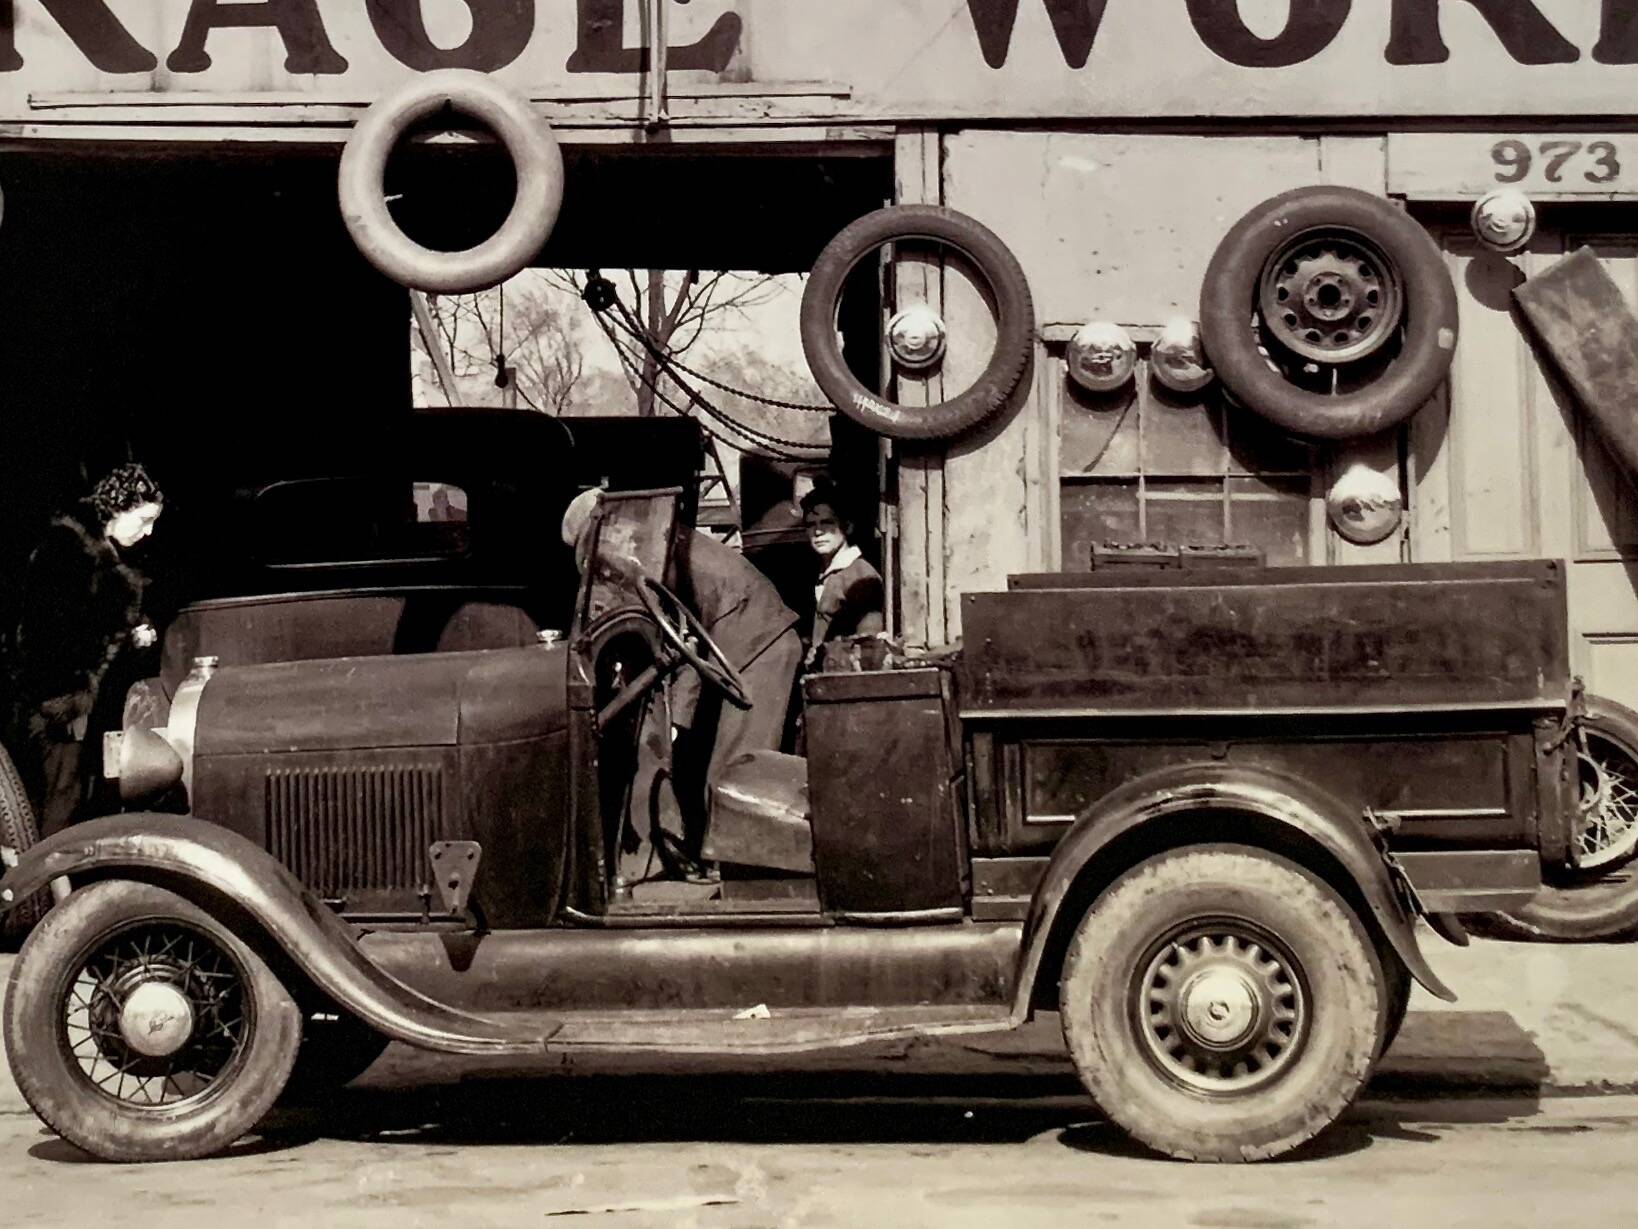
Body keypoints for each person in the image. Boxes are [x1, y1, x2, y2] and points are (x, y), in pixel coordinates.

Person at [561, 488, 802, 874]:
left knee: (734, 776)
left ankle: (743, 883)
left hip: (761, 649)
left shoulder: (658, 553)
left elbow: (684, 641)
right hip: (735, 648)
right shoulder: (656, 546)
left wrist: (675, 722)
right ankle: (709, 862)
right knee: (702, 765)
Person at [10, 463, 164, 836]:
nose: (149, 531)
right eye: (143, 519)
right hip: (60, 705)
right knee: (61, 802)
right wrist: (63, 706)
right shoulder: (67, 550)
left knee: (81, 801)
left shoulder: (111, 554)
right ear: (118, 507)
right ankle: (52, 892)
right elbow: (46, 634)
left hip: (88, 705)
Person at [800, 485, 884, 669]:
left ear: (847, 526)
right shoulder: (823, 573)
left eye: (827, 523)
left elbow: (868, 645)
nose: (818, 531)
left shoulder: (861, 577)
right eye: (811, 524)